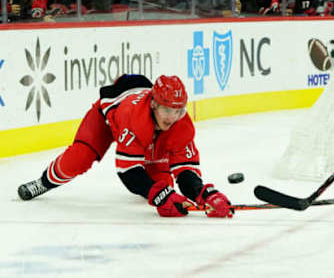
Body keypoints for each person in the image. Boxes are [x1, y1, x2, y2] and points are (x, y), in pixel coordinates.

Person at [18, 74, 234, 219]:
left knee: (163, 183)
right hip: (107, 120)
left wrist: (204, 195)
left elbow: (185, 170)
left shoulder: (180, 124)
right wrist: (158, 195)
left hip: (144, 128)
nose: (172, 117)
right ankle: (43, 182)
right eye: (167, 110)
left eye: (178, 111)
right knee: (79, 158)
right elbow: (128, 171)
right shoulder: (134, 117)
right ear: (154, 104)